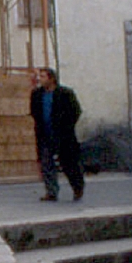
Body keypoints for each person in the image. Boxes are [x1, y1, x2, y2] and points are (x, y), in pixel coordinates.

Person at [29, 67, 84, 202]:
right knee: (46, 163)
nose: (39, 79)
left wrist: (66, 126)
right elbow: (34, 112)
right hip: (45, 134)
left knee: (68, 163)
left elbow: (76, 111)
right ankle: (51, 191)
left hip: (63, 135)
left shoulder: (65, 93)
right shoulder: (37, 94)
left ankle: (77, 187)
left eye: (43, 76)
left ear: (51, 79)